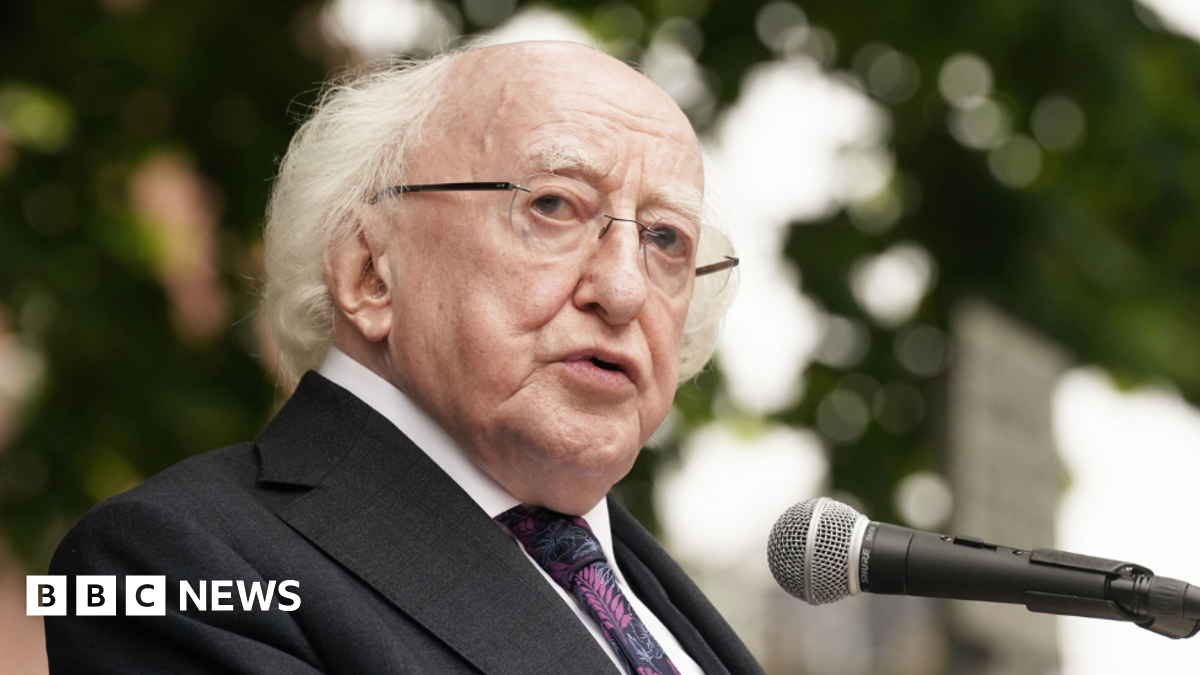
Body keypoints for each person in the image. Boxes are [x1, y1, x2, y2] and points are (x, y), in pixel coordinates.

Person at [45, 40, 755, 675]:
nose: (625, 288)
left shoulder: (639, 583)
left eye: (665, 239)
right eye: (554, 206)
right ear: (369, 271)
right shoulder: (171, 563)